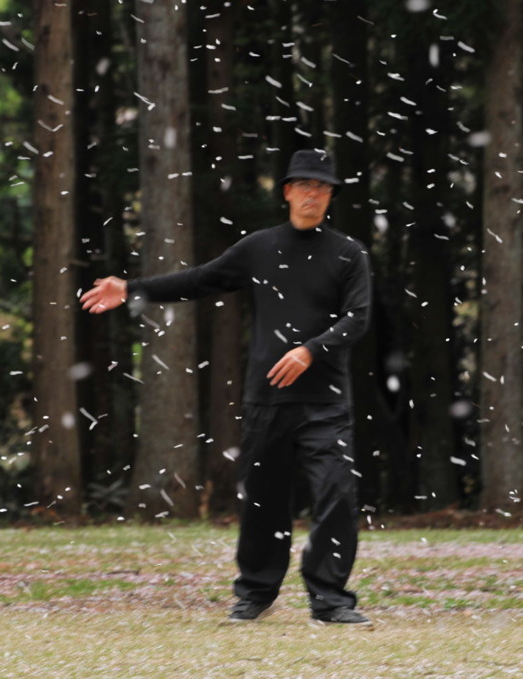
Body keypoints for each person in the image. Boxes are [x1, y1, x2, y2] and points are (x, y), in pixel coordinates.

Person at [80, 149, 372, 625]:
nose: (312, 195)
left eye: (321, 188)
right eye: (304, 186)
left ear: (331, 197)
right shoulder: (258, 247)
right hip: (266, 399)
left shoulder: (348, 254)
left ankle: (331, 599)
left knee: (336, 496)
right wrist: (131, 289)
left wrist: (310, 350)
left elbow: (358, 319)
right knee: (263, 501)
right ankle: (255, 592)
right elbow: (199, 280)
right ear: (287, 192)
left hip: (326, 402)